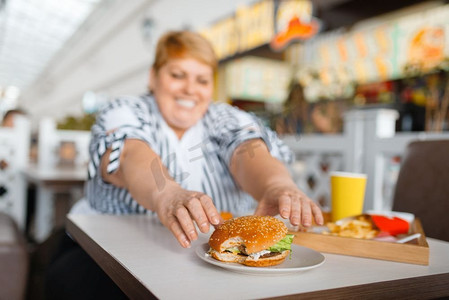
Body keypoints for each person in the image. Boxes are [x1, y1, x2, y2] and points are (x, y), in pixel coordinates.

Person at [46, 30, 323, 298]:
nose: (190, 88)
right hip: (101, 259)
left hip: (212, 273)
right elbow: (130, 154)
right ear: (153, 77)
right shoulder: (125, 111)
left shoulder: (226, 118)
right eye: (178, 75)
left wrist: (276, 185)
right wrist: (167, 194)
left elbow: (248, 151)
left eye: (202, 80)